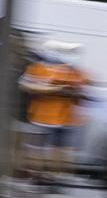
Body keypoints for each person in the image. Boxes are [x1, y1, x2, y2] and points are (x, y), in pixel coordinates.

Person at [21, 39, 90, 183]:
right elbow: (26, 85)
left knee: (61, 150)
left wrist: (74, 94)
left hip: (66, 119)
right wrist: (55, 89)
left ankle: (57, 178)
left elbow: (84, 93)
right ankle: (36, 176)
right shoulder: (39, 68)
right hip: (42, 117)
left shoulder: (76, 72)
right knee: (38, 149)